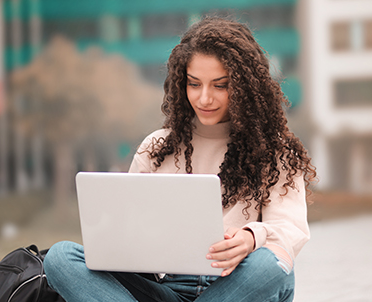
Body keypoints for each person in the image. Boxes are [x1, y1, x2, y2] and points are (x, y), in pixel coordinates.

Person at [44, 17, 316, 302]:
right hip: (169, 289)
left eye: (220, 85)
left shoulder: (274, 151)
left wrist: (251, 237)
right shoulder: (157, 147)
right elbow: (126, 231)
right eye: (194, 84)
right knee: (60, 257)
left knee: (273, 266)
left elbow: (290, 233)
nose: (204, 98)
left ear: (246, 87)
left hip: (239, 284)